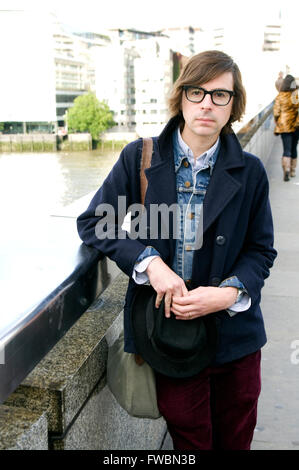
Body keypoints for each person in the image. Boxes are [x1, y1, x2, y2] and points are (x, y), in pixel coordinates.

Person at [77, 50, 277, 450]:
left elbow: (260, 251)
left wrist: (228, 293)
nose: (207, 103)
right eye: (197, 91)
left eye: (221, 95)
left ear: (234, 104)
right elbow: (94, 222)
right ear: (181, 96)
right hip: (169, 337)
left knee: (236, 439)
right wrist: (149, 263)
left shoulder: (250, 171)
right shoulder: (141, 157)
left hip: (235, 339)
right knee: (190, 441)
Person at [274, 74, 299, 181]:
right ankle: (293, 171)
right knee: (294, 148)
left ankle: (286, 171)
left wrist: (277, 121)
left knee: (286, 150)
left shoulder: (280, 96)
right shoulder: (296, 95)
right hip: (297, 126)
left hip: (284, 126)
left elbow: (276, 112)